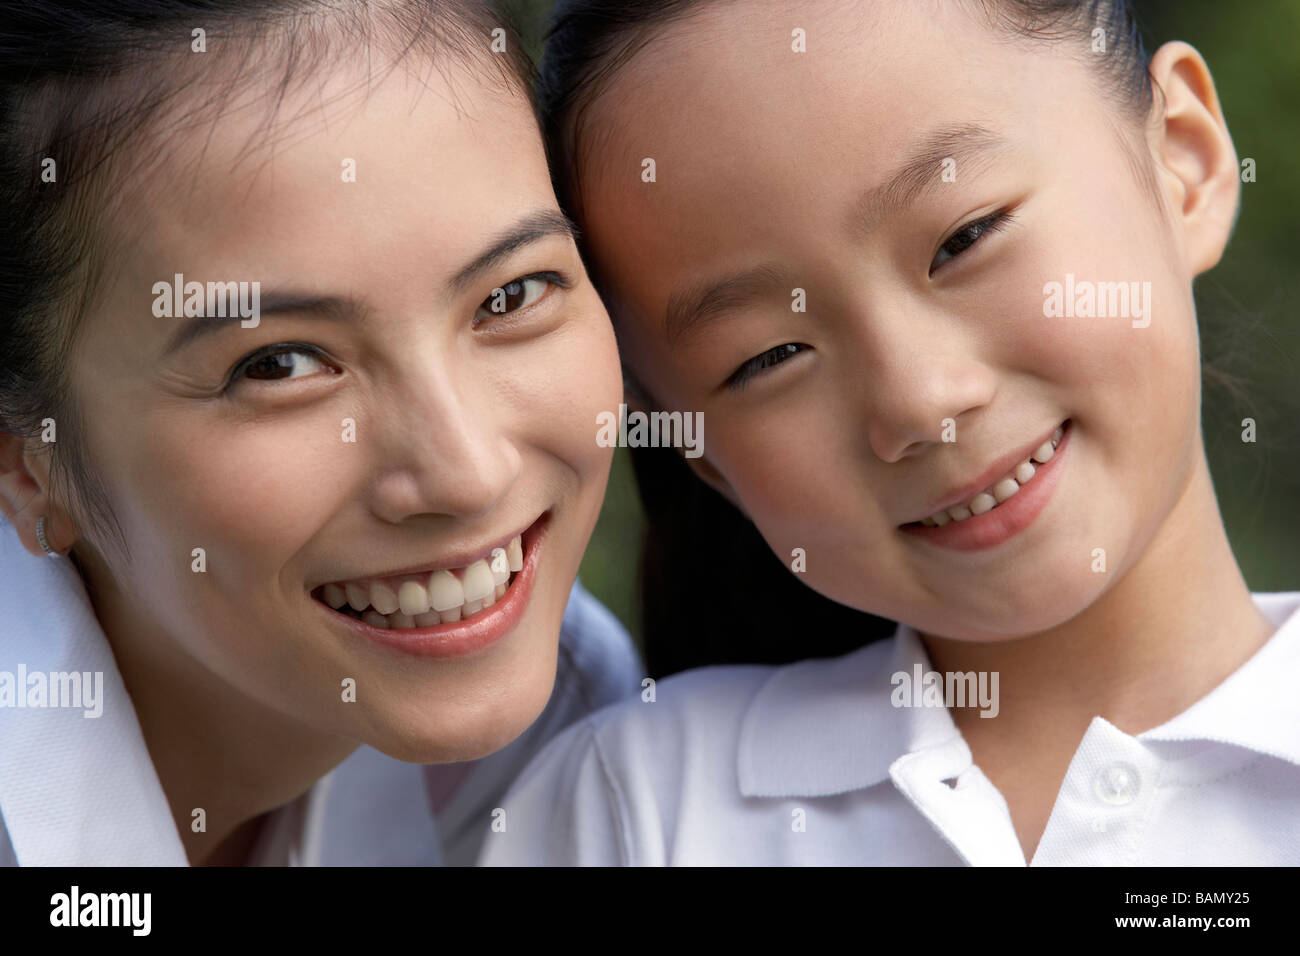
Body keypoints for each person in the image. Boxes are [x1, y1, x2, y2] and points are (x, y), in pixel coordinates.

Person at [479, 0, 1300, 865]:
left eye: (964, 239)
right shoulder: (636, 810)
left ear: (1184, 159)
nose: (917, 402)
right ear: (697, 448)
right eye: (770, 356)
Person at [0, 0, 638, 866]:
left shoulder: (579, 730)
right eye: (280, 365)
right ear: (25, 461)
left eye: (510, 296)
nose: (468, 476)